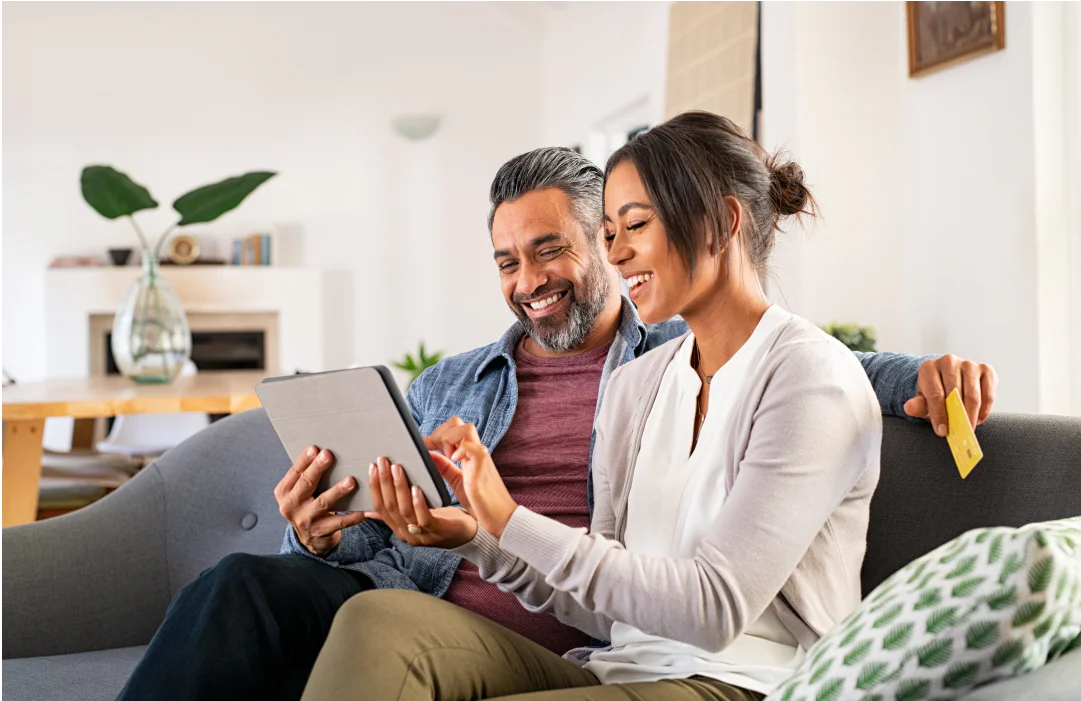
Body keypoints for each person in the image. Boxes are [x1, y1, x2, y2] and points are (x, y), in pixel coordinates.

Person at [116, 139, 997, 701]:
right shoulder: (597, 385)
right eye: (506, 258)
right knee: (262, 590)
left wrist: (918, 374)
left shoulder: (725, 363)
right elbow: (407, 541)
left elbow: (800, 367)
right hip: (505, 617)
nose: (530, 275)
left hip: (676, 654)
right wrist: (334, 534)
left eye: (559, 245)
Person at [301, 110, 891, 700]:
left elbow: (716, 609)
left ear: (722, 221)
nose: (617, 253)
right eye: (608, 232)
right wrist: (475, 537)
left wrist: (509, 518)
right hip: (620, 667)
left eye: (634, 225)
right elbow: (604, 614)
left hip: (747, 681)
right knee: (376, 618)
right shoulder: (638, 386)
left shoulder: (811, 378)